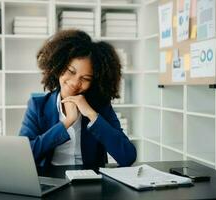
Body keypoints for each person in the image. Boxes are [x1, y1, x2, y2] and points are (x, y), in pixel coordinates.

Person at [19, 29, 136, 169]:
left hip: (91, 183)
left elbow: (127, 157)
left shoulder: (100, 107)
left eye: (85, 78)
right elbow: (23, 155)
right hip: (52, 181)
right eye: (71, 71)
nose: (75, 83)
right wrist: (66, 122)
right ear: (58, 66)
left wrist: (92, 115)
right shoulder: (38, 106)